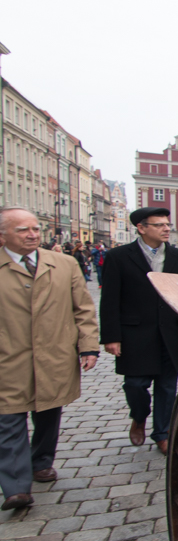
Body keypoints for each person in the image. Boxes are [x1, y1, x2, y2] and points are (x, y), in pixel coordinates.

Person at [0, 208, 99, 510]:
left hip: (54, 353)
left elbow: (82, 308)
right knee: (9, 420)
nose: (32, 235)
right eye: (22, 230)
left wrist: (88, 347)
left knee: (48, 411)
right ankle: (16, 487)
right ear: (3, 235)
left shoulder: (64, 263)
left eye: (34, 229)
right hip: (8, 357)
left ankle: (42, 461)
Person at [100, 207, 178, 455]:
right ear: (142, 228)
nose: (166, 229)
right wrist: (111, 337)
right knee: (135, 385)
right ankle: (139, 416)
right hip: (135, 333)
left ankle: (163, 433)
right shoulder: (119, 256)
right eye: (159, 225)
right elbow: (110, 299)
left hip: (170, 331)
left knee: (167, 387)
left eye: (167, 224)